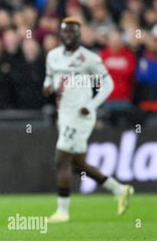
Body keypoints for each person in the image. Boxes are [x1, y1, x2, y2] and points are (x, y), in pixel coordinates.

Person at [43, 18, 134, 223]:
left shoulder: (89, 58)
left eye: (72, 33)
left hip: (80, 115)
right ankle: (120, 189)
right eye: (64, 32)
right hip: (63, 114)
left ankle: (63, 211)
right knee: (77, 164)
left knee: (61, 159)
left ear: (78, 35)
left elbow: (108, 83)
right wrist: (47, 86)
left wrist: (92, 105)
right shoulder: (53, 56)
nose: (67, 36)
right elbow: (49, 78)